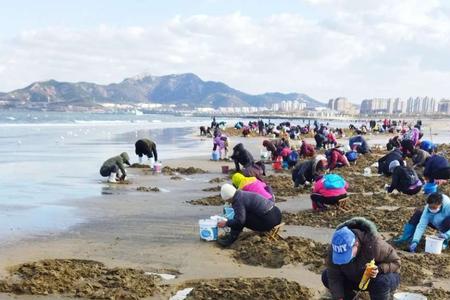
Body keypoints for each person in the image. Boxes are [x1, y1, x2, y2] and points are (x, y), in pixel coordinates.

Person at [322, 218, 401, 300]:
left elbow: (396, 262)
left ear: (356, 244)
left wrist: (379, 269)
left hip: (377, 278)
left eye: (346, 255)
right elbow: (333, 275)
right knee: (326, 276)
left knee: (381, 282)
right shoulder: (336, 247)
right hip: (355, 278)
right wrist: (339, 297)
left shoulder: (375, 244)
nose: (344, 259)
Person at [216, 184, 282, 247]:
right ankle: (231, 235)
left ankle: (230, 239)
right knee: (241, 215)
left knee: (239, 219)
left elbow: (240, 221)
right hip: (277, 214)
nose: (228, 202)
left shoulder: (237, 201)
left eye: (227, 200)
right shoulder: (242, 194)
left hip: (270, 220)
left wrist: (226, 223)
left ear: (228, 198)